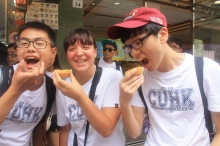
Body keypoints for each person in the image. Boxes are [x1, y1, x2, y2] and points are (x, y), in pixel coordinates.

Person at [106, 7, 220, 146]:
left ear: (163, 35)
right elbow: (134, 133)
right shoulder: (140, 78)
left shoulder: (205, 69)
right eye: (129, 47)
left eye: (137, 42)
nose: (134, 53)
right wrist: (124, 101)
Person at [52, 28, 125, 146]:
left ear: (95, 51)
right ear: (66, 55)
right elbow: (65, 130)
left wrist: (79, 96)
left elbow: (106, 129)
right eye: (72, 49)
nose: (79, 53)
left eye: (85, 47)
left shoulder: (113, 77)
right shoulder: (63, 86)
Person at [0, 21, 57, 146]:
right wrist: (16, 89)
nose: (31, 48)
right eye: (24, 43)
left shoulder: (51, 87)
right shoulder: (2, 76)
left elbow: (39, 126)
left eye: (39, 43)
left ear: (53, 53)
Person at [45, 54, 61, 146]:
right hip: (42, 115)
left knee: (55, 143)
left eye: (50, 56)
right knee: (45, 142)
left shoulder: (61, 74)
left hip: (55, 115)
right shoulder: (39, 74)